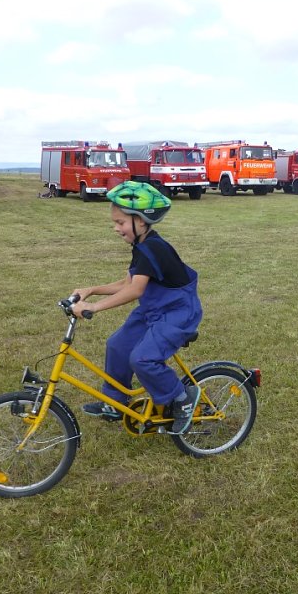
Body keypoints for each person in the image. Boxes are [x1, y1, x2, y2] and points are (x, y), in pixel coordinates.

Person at [71, 182, 203, 434]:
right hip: (155, 308)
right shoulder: (143, 246)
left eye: (120, 222)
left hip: (178, 313)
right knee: (117, 345)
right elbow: (128, 282)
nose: (116, 228)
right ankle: (115, 402)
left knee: (142, 359)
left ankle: (181, 399)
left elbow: (135, 290)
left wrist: (94, 307)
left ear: (140, 221)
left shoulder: (153, 248)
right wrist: (91, 289)